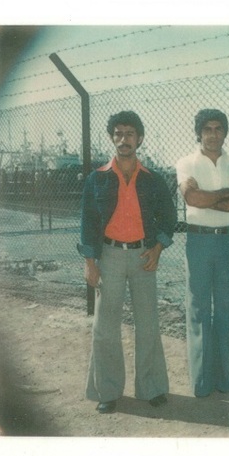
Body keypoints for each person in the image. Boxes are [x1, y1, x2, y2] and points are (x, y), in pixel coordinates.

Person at [78, 110, 176, 414]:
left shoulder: (153, 180)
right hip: (109, 256)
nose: (124, 140)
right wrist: (90, 262)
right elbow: (88, 223)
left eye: (130, 134)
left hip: (143, 256)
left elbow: (169, 217)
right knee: (105, 326)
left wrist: (158, 248)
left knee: (148, 324)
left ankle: (151, 388)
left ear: (139, 139)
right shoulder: (97, 178)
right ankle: (107, 391)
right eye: (118, 134)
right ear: (112, 138)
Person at [175, 109, 229, 398]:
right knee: (198, 309)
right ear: (199, 133)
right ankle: (201, 381)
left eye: (218, 128)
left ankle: (223, 378)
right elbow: (192, 198)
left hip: (227, 241)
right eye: (207, 129)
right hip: (199, 240)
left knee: (224, 309)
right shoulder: (186, 163)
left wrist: (208, 197)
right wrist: (224, 193)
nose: (213, 134)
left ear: (225, 132)